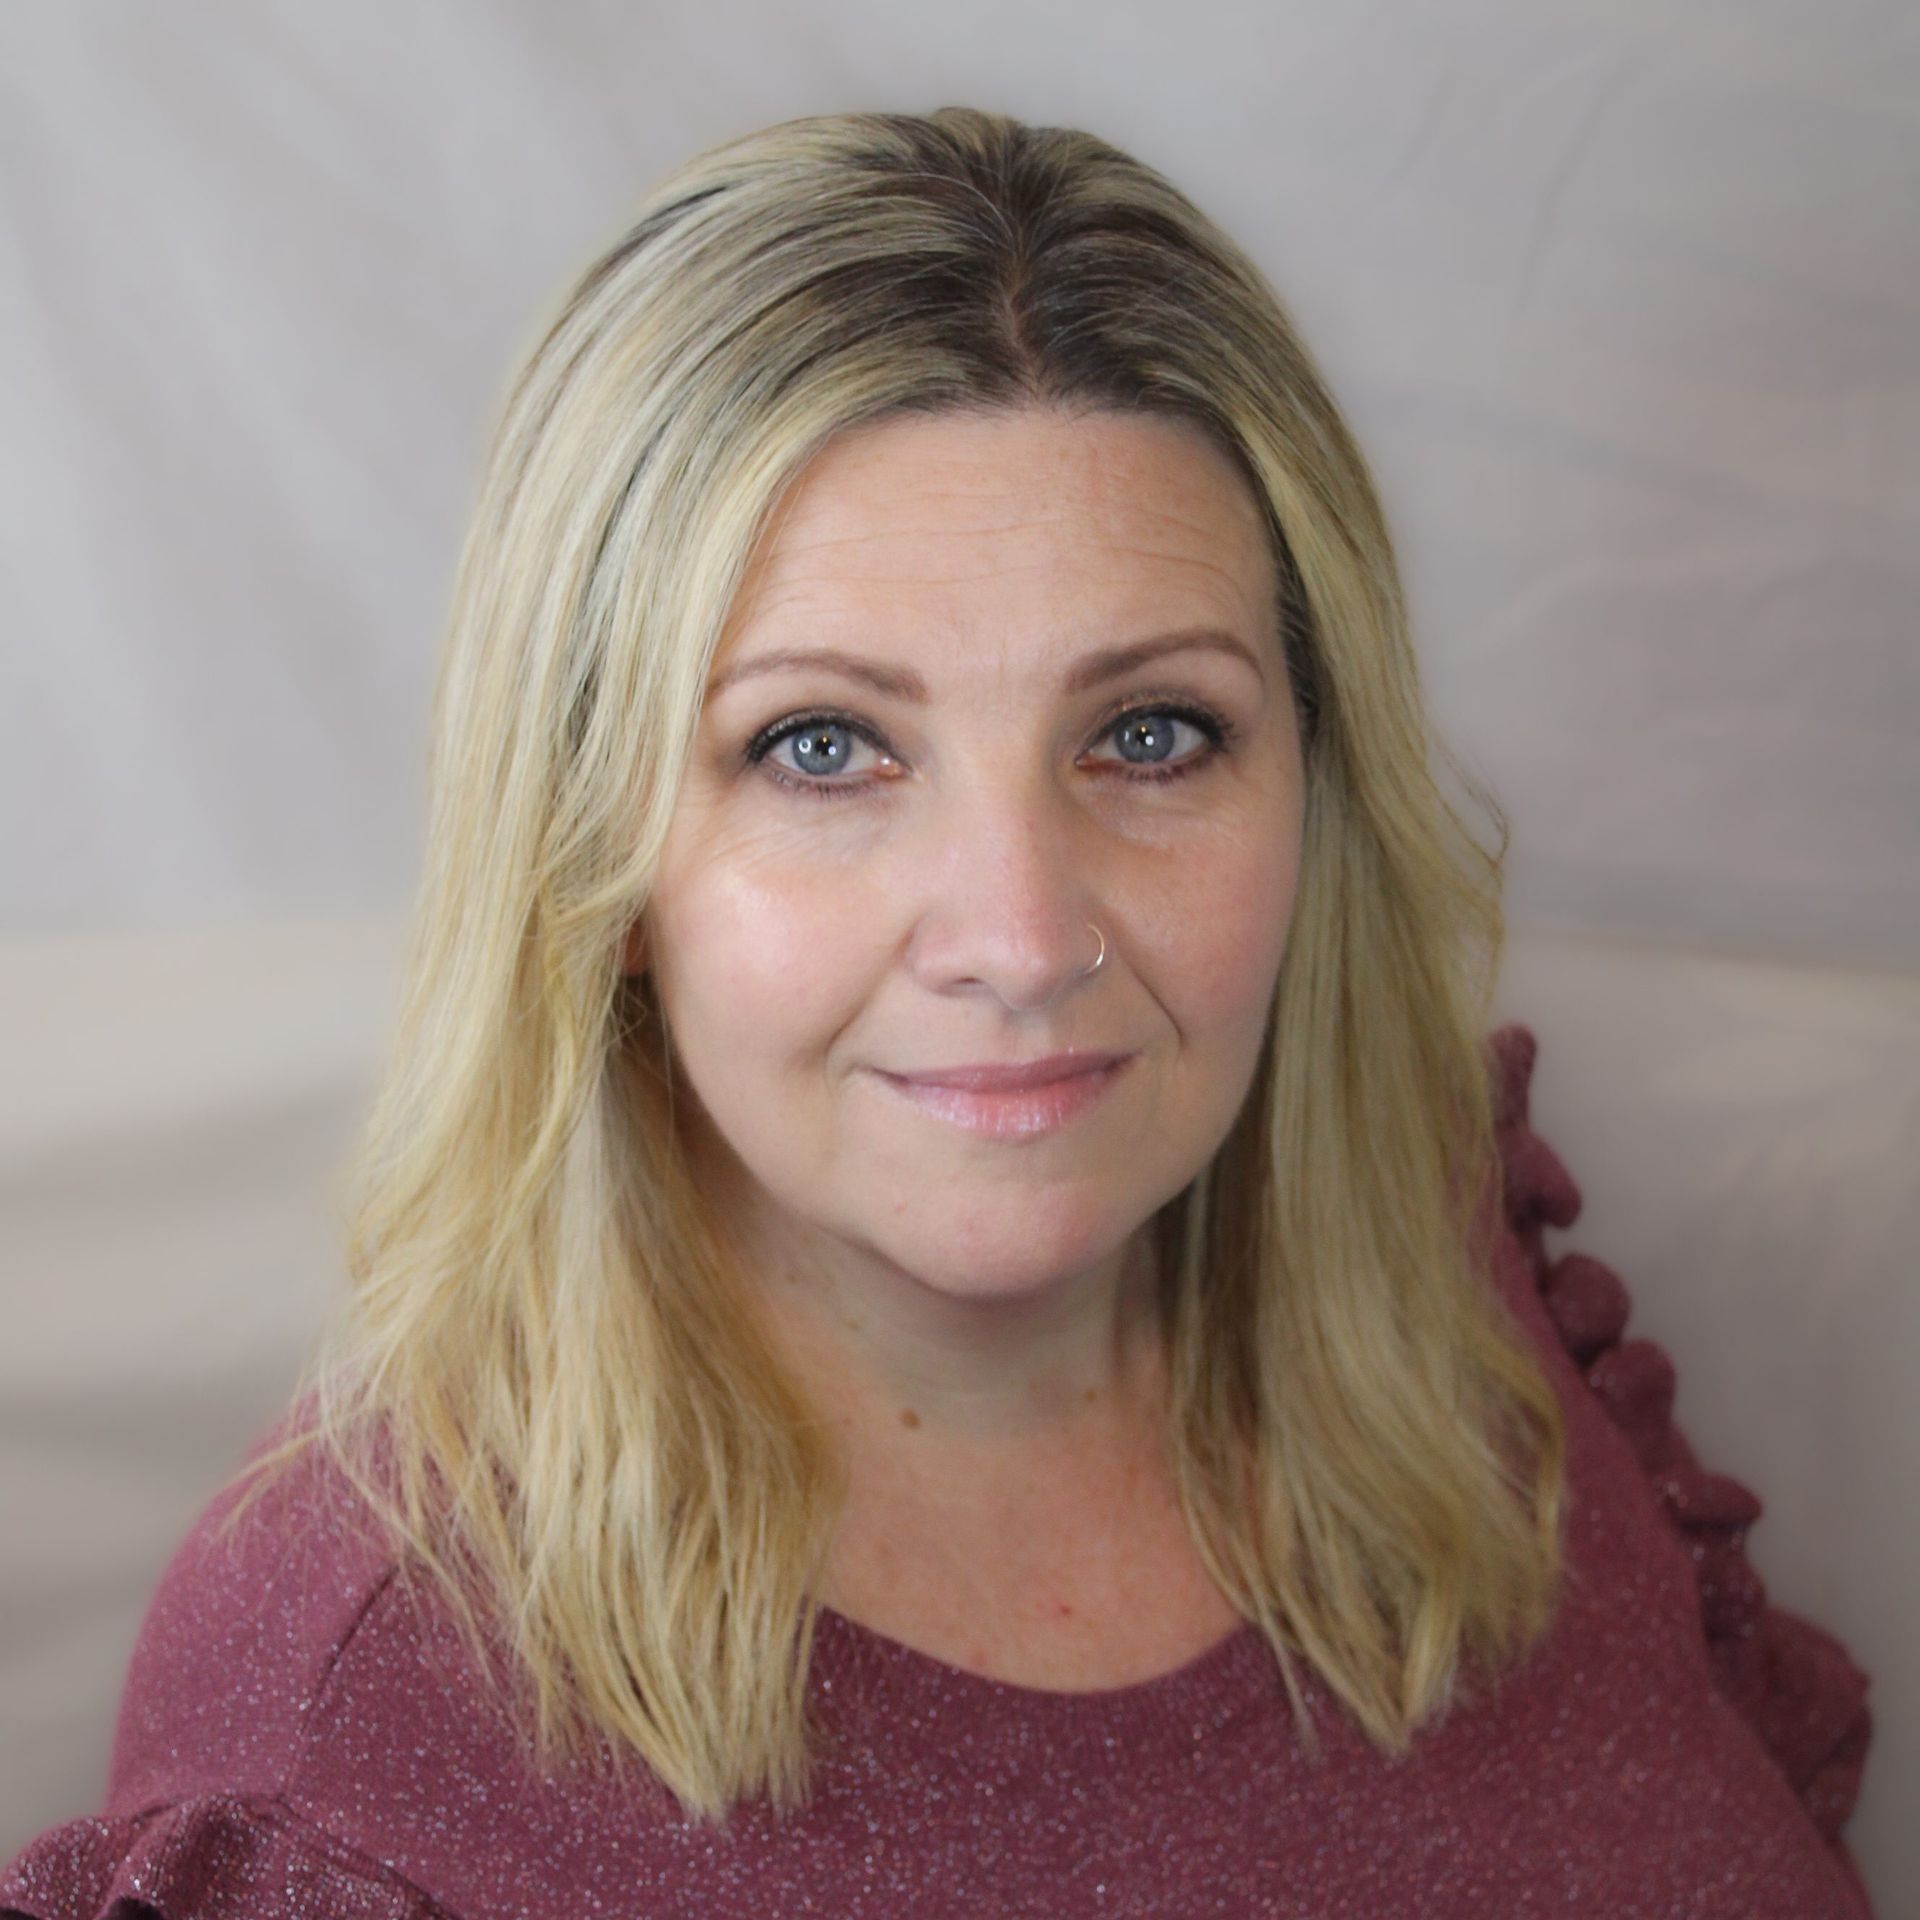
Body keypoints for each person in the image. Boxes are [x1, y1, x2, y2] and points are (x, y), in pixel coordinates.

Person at [0, 106, 1875, 1918]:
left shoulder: (1461, 1283)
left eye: (1152, 734)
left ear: (1319, 789)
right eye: (822, 747)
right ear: (598, 859)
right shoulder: (339, 1751)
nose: (1018, 933)